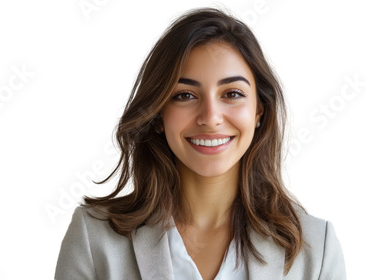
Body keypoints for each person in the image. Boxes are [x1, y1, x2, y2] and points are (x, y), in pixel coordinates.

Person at [54, 7, 346, 280]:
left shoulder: (315, 248)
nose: (210, 117)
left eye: (231, 94)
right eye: (185, 95)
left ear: (259, 111)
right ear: (158, 115)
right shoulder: (93, 237)